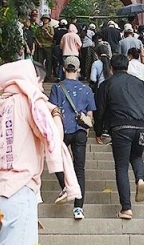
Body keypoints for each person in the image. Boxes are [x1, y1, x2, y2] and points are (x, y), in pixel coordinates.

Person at [0, 59, 79, 244]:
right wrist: (56, 113)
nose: (41, 89)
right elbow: (53, 137)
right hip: (17, 191)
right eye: (40, 82)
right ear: (30, 78)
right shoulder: (32, 101)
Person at [94, 54, 144, 220]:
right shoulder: (141, 84)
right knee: (136, 156)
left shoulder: (106, 84)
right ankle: (140, 179)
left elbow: (100, 111)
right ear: (128, 67)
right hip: (142, 126)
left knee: (121, 166)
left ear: (111, 68)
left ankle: (126, 208)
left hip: (121, 127)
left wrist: (98, 131)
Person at [49, 59, 96, 220]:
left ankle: (66, 186)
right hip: (80, 130)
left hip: (62, 129)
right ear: (79, 69)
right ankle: (78, 208)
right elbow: (90, 114)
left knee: (55, 159)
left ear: (63, 69)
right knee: (79, 169)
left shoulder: (57, 87)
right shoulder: (86, 89)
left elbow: (53, 109)